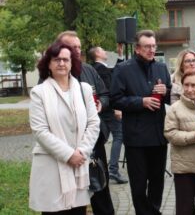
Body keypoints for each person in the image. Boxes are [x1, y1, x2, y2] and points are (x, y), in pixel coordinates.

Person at [29, 42, 100, 214]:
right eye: (56, 59)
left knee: (77, 210)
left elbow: (93, 123)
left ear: (72, 63)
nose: (61, 63)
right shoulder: (39, 92)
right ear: (48, 64)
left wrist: (82, 152)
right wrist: (69, 155)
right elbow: (40, 131)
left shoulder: (84, 90)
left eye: (65, 59)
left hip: (79, 164)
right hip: (51, 164)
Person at [110, 30, 172, 215]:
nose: (151, 50)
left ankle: (153, 211)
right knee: (138, 185)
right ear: (137, 48)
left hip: (158, 136)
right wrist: (141, 101)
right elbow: (115, 99)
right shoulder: (123, 69)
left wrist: (166, 92)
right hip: (136, 138)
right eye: (147, 46)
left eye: (154, 46)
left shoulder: (161, 68)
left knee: (157, 182)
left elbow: (169, 98)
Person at [57, 31, 115, 215]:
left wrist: (101, 104)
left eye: (79, 47)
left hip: (94, 143)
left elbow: (106, 95)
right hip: (69, 147)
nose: (77, 51)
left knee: (101, 191)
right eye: (72, 47)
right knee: (72, 198)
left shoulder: (89, 70)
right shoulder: (52, 74)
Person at [164, 69, 195, 215]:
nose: (189, 89)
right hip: (184, 168)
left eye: (193, 85)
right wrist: (192, 136)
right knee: (184, 210)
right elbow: (170, 133)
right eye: (186, 85)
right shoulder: (175, 109)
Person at [89, 45, 128, 184]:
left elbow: (115, 72)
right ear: (97, 54)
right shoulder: (101, 69)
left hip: (103, 109)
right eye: (102, 50)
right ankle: (113, 170)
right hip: (109, 109)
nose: (105, 51)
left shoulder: (96, 68)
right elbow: (109, 89)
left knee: (101, 137)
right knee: (119, 135)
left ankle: (98, 166)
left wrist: (120, 56)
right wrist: (117, 108)